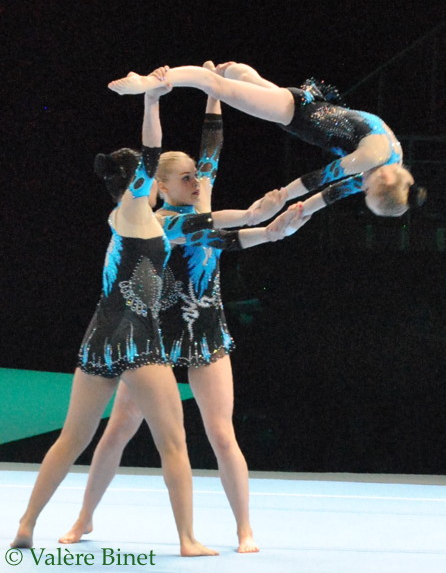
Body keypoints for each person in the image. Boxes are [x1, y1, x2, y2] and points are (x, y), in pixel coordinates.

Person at [58, 63, 299, 554]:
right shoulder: (164, 223)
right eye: (187, 177)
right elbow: (218, 231)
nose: (198, 180)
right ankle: (84, 517)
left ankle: (244, 528)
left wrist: (213, 91)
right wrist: (260, 222)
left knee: (221, 432)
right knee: (118, 429)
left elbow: (212, 149)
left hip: (205, 326)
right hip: (157, 333)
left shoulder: (199, 198)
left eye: (196, 175)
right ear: (162, 187)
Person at [108, 62, 426, 218]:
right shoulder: (375, 155)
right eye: (368, 190)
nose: (362, 187)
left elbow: (331, 194)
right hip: (297, 111)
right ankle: (149, 81)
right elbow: (321, 178)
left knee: (243, 79)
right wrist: (281, 197)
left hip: (299, 114)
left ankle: (235, 70)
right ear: (385, 179)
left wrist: (298, 212)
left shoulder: (387, 167)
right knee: (216, 86)